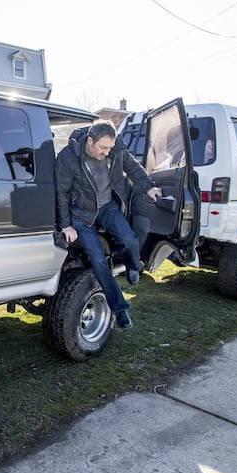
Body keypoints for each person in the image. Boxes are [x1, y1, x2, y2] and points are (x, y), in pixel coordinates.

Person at [55, 120, 161, 330]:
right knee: (98, 260)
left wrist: (149, 187)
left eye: (110, 148)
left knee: (130, 240)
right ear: (90, 140)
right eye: (103, 148)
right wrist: (66, 225)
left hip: (107, 206)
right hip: (81, 215)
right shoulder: (68, 157)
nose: (106, 152)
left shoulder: (116, 148)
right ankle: (119, 309)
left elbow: (132, 167)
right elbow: (62, 193)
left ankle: (133, 266)